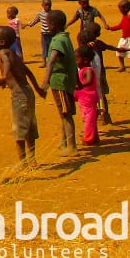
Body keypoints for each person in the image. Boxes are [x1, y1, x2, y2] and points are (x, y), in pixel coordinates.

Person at [0, 27, 44, 166]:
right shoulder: (15, 54)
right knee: (30, 128)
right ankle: (32, 160)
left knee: (20, 131)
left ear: (2, 42)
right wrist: (38, 89)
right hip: (28, 92)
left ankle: (23, 164)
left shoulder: (3, 53)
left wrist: (3, 78)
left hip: (19, 95)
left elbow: (6, 64)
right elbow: (28, 72)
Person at [40, 10, 78, 156]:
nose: (47, 25)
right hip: (66, 80)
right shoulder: (65, 38)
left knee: (65, 114)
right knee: (64, 112)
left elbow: (52, 61)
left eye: (48, 23)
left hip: (60, 82)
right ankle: (64, 142)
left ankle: (72, 146)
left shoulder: (57, 41)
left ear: (53, 25)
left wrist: (45, 82)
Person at [75, 47, 100, 146]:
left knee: (89, 119)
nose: (75, 61)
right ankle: (94, 138)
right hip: (84, 99)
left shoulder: (88, 70)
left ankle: (88, 138)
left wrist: (80, 85)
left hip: (88, 98)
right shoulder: (82, 69)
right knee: (88, 118)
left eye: (77, 59)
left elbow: (89, 81)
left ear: (85, 60)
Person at [108, 0, 130, 73]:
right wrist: (111, 28)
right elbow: (121, 25)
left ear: (126, 8)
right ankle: (122, 66)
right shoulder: (124, 16)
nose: (120, 10)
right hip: (124, 37)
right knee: (119, 51)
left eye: (121, 8)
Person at [26, 0, 53, 66]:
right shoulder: (40, 14)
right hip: (44, 34)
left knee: (52, 47)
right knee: (44, 48)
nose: (48, 7)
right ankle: (44, 62)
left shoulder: (53, 13)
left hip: (52, 34)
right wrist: (27, 24)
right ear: (42, 5)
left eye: (49, 5)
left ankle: (51, 62)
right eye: (46, 5)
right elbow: (34, 21)